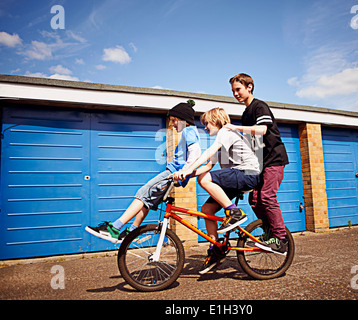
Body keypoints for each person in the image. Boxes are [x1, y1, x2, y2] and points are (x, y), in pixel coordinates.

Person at [86, 100, 201, 243]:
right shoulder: (188, 132)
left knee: (143, 193)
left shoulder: (189, 131)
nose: (172, 124)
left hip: (172, 173)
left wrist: (184, 171)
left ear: (183, 119)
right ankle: (132, 231)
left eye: (174, 120)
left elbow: (195, 153)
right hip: (174, 174)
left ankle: (114, 228)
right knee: (147, 202)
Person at [175, 107, 260, 273]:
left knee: (204, 179)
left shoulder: (225, 132)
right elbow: (208, 165)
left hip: (247, 174)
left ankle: (234, 213)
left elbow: (208, 153)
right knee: (207, 209)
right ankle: (216, 248)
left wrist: (188, 168)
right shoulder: (222, 141)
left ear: (216, 121)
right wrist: (185, 175)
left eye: (206, 123)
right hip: (237, 176)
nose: (205, 127)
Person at [226, 73, 289, 255]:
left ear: (249, 87)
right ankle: (269, 232)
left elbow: (261, 130)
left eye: (238, 89)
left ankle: (280, 238)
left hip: (274, 160)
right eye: (233, 91)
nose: (235, 94)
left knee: (267, 196)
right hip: (261, 163)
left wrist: (235, 127)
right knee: (254, 199)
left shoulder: (259, 106)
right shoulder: (246, 113)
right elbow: (250, 144)